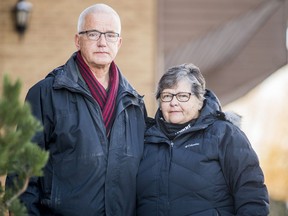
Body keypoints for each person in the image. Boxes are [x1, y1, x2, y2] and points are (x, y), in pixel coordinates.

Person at [6, 3, 146, 216]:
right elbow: (22, 174)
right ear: (77, 40)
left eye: (110, 35)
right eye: (93, 33)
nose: (102, 42)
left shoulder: (134, 103)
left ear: (119, 42)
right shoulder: (46, 94)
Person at [136, 63, 269, 215]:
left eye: (183, 96)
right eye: (167, 96)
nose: (174, 102)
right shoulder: (146, 138)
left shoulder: (224, 134)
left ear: (199, 100)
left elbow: (251, 193)